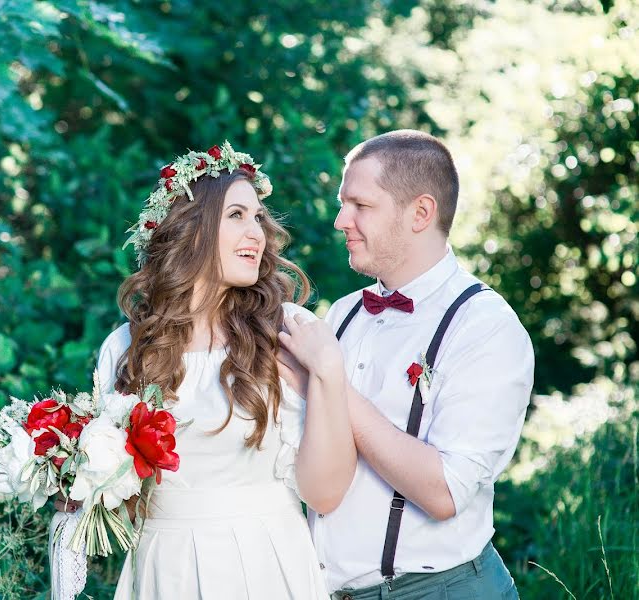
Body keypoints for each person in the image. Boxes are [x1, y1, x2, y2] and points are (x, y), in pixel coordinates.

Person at [93, 142, 356, 599]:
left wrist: (329, 374)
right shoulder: (125, 348)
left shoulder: (290, 332)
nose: (256, 231)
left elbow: (326, 494)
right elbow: (125, 506)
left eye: (258, 217)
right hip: (162, 567)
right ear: (190, 229)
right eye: (236, 215)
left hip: (266, 564)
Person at [278, 130, 534, 600]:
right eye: (342, 204)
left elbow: (444, 493)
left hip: (442, 590)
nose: (341, 221)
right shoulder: (345, 313)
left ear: (420, 212)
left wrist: (328, 382)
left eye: (361, 206)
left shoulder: (484, 326)